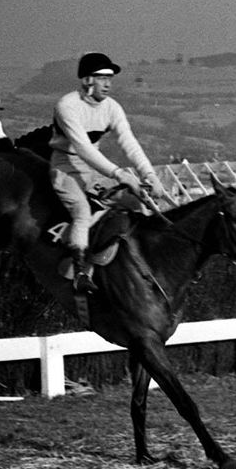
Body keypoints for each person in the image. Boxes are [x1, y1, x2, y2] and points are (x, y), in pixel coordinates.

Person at [48, 52, 165, 293]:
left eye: (110, 78)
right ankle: (80, 272)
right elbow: (82, 149)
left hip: (93, 171)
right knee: (81, 212)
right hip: (65, 168)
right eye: (102, 78)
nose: (108, 84)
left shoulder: (112, 108)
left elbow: (129, 144)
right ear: (87, 80)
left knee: (136, 203)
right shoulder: (67, 106)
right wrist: (120, 175)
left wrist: (149, 176)